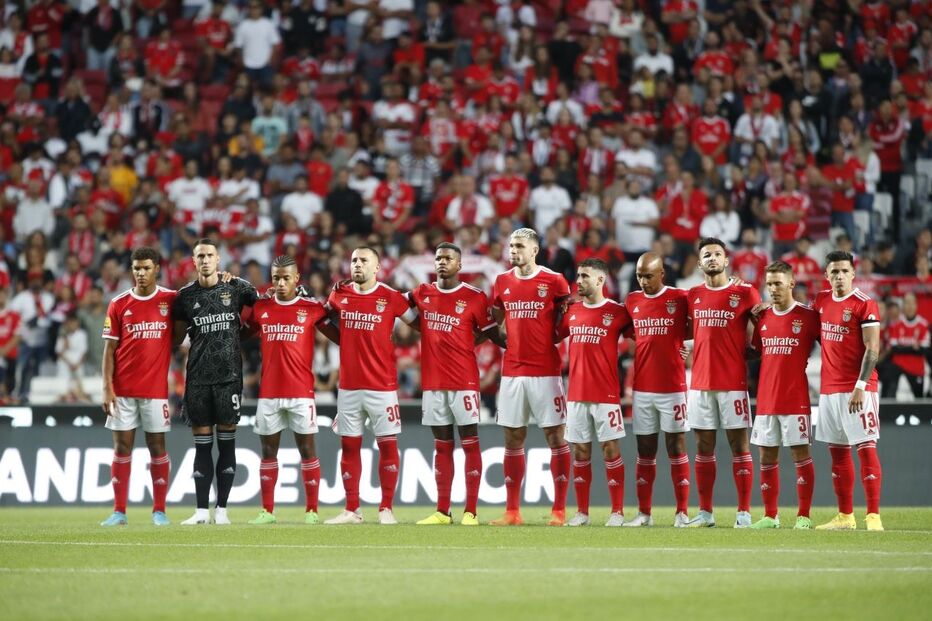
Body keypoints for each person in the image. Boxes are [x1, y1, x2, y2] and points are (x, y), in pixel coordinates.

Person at [410, 243, 501, 526]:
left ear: (460, 265)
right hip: (433, 382)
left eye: (448, 258)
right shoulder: (422, 293)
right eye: (438, 257)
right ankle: (442, 511)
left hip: (464, 381)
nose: (442, 262)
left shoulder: (474, 297)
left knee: (470, 443)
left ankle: (470, 511)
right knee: (442, 446)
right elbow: (393, 304)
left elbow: (492, 334)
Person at [325, 246, 417, 525]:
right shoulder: (339, 294)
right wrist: (345, 342)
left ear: (377, 267)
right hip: (349, 386)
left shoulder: (391, 297)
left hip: (383, 386)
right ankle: (352, 509)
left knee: (387, 446)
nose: (357, 265)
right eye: (353, 260)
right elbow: (324, 321)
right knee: (350, 447)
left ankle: (386, 508)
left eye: (363, 260)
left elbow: (419, 326)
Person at [246, 256, 339, 525]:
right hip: (269, 393)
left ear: (297, 279)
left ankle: (311, 511)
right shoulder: (261, 308)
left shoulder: (311, 309)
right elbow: (242, 333)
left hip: (301, 393)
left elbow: (337, 335)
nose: (281, 282)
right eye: (276, 277)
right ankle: (267, 511)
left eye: (286, 277)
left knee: (307, 450)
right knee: (268, 452)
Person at [172, 239, 259, 525]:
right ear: (193, 261)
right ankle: (200, 511)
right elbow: (175, 336)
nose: (205, 260)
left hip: (229, 378)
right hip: (197, 379)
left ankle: (221, 510)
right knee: (201, 445)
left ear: (219, 259)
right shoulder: (184, 296)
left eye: (210, 255)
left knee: (227, 444)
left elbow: (262, 307)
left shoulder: (237, 287)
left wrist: (242, 334)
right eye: (200, 256)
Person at [489, 228, 571, 526]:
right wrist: (505, 342)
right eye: (511, 245)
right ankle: (512, 511)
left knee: (555, 436)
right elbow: (495, 321)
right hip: (512, 371)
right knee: (512, 437)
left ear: (534, 250)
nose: (513, 250)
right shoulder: (502, 282)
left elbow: (567, 320)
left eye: (519, 245)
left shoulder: (554, 281)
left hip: (546, 371)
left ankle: (559, 511)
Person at [686, 237, 762, 528]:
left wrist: (752, 354)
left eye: (718, 254)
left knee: (739, 447)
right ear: (700, 262)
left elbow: (760, 332)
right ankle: (705, 513)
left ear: (727, 261)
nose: (712, 258)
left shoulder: (745, 292)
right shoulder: (691, 295)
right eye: (707, 255)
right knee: (703, 448)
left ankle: (743, 513)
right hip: (701, 384)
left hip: (732, 383)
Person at [99, 247, 176, 527]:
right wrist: (107, 387)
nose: (140, 273)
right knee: (122, 448)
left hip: (155, 391)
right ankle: (119, 511)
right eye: (136, 268)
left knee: (157, 447)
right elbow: (109, 350)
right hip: (122, 391)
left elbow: (179, 335)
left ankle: (160, 511)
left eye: (145, 268)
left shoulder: (170, 299)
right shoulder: (119, 303)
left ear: (157, 268)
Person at [558, 259, 631, 527]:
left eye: (585, 276)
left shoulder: (618, 312)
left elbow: (644, 336)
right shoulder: (572, 311)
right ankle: (582, 513)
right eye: (578, 275)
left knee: (611, 449)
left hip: (607, 395)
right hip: (576, 394)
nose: (579, 280)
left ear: (600, 281)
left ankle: (617, 512)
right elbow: (554, 335)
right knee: (580, 452)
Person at [814, 251, 883, 531]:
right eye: (834, 272)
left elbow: (873, 349)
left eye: (844, 271)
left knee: (866, 448)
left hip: (858, 389)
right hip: (829, 389)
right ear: (826, 275)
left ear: (853, 274)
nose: (839, 276)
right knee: (838, 452)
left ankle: (873, 516)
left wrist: (860, 386)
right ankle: (845, 516)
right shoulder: (820, 301)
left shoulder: (864, 304)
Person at [748, 261, 820, 529]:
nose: (772, 289)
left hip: (795, 399)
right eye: (769, 284)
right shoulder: (763, 318)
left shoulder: (809, 317)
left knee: (800, 455)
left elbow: (832, 346)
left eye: (778, 283)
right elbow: (755, 352)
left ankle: (804, 515)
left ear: (791, 283)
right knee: (766, 457)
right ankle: (770, 515)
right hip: (766, 400)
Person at [623, 252, 691, 527]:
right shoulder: (632, 300)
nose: (643, 281)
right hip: (643, 388)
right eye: (640, 275)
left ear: (662, 273)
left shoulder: (680, 298)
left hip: (673, 387)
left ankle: (682, 512)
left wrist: (680, 344)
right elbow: (630, 331)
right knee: (645, 450)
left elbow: (698, 324)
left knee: (676, 447)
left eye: (648, 276)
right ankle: (644, 514)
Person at [880, 293, 929, 398]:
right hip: (898, 364)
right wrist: (913, 348)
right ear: (903, 306)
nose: (910, 306)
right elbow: (894, 348)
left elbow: (924, 350)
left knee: (919, 397)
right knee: (889, 378)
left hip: (916, 367)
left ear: (916, 305)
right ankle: (886, 410)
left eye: (912, 303)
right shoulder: (896, 325)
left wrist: (902, 348)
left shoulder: (923, 325)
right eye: (907, 303)